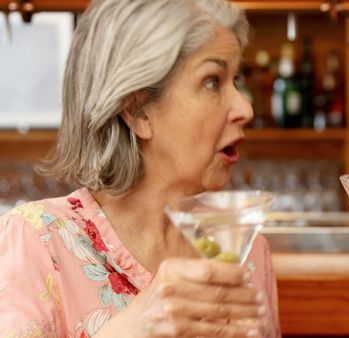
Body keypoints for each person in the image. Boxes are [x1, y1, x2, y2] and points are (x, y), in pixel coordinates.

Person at [0, 0, 281, 337]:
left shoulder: (246, 250)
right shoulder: (37, 240)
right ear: (137, 111)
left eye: (236, 80)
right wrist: (134, 329)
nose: (245, 107)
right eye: (212, 81)